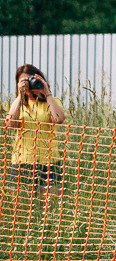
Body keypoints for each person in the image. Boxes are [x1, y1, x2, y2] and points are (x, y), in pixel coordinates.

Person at [5, 64, 67, 195]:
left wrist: (46, 91)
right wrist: (20, 96)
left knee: (50, 206)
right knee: (20, 206)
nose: (28, 85)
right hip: (23, 161)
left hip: (49, 162)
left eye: (31, 80)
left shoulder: (52, 102)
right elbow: (10, 124)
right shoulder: (18, 105)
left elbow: (58, 119)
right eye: (24, 82)